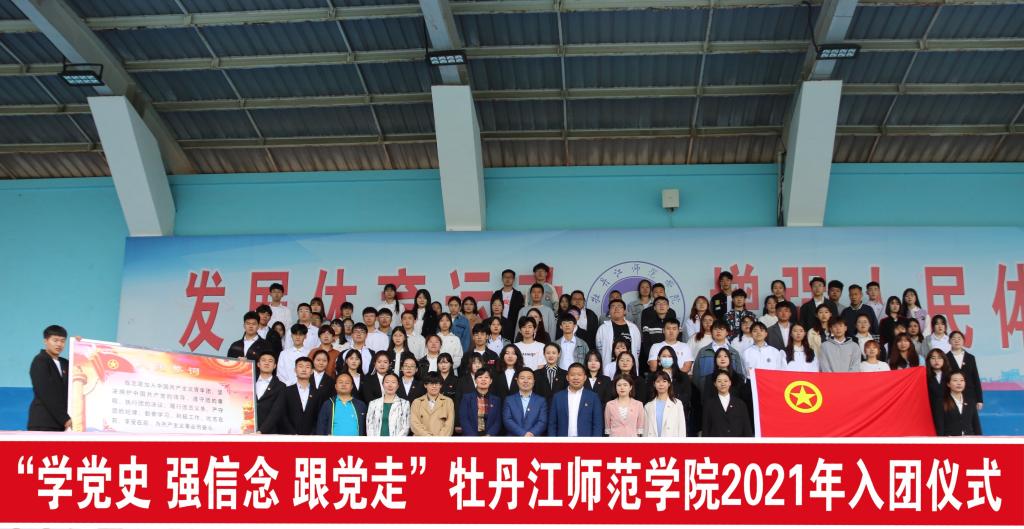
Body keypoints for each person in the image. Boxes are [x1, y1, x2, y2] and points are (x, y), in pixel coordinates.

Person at [29, 325, 70, 432]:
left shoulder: (66, 363)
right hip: (43, 422)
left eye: (62, 341)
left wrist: (80, 345)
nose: (59, 344)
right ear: (45, 341)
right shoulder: (40, 361)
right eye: (55, 340)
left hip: (62, 424)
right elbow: (47, 393)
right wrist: (65, 419)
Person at [548, 363, 604, 437]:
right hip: (563, 441)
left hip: (585, 441)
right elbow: (552, 424)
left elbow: (597, 424)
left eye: (579, 375)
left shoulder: (593, 397)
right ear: (567, 377)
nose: (576, 378)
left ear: (585, 378)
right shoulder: (558, 397)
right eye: (572, 375)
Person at [269, 357, 320, 435]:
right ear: (295, 370)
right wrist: (293, 434)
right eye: (300, 366)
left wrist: (312, 435)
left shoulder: (318, 393)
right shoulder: (286, 391)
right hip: (289, 436)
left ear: (312, 371)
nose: (304, 369)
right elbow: (282, 415)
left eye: (307, 367)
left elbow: (319, 417)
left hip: (311, 437)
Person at [693, 321, 745, 394]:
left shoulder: (734, 353)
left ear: (727, 332)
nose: (718, 331)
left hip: (730, 393)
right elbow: (696, 375)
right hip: (706, 392)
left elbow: (739, 374)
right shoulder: (703, 351)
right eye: (715, 329)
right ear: (711, 332)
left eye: (722, 329)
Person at [701, 370, 752, 437]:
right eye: (719, 381)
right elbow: (706, 428)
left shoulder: (740, 404)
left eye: (725, 381)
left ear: (730, 383)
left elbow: (747, 428)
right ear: (715, 384)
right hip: (716, 442)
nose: (723, 384)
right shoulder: (709, 404)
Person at [502, 368, 548, 437]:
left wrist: (531, 434)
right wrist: (523, 433)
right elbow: (507, 420)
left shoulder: (541, 401)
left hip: (534, 439)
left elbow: (542, 421)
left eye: (529, 378)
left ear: (534, 382)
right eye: (522, 378)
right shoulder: (509, 400)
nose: (526, 381)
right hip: (513, 439)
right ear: (517, 381)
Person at [934, 371, 982, 436]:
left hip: (970, 439)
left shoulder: (970, 401)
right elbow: (940, 426)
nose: (959, 383)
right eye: (955, 380)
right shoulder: (941, 402)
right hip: (950, 439)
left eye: (962, 380)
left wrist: (979, 438)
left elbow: (976, 425)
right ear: (948, 384)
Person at [946, 330, 983, 412]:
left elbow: (975, 378)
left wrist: (979, 399)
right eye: (954, 339)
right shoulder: (945, 358)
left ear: (963, 341)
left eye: (959, 339)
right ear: (949, 341)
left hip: (969, 394)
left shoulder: (970, 358)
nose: (956, 341)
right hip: (951, 395)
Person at [458, 368, 502, 436]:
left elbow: (498, 421)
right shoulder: (466, 398)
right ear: (475, 380)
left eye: (486, 377)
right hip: (471, 437)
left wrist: (489, 435)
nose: (483, 379)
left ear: (491, 381)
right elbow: (464, 420)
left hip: (489, 437)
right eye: (480, 377)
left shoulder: (496, 400)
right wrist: (474, 438)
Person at [596, 299, 641, 366]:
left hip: (629, 367)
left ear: (625, 311)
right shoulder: (603, 328)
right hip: (610, 366)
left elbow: (637, 350)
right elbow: (599, 349)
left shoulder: (634, 328)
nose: (616, 308)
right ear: (609, 312)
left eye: (619, 306)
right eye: (613, 306)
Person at [410, 372, 455, 436]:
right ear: (425, 385)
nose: (434, 386)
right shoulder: (417, 402)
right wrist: (428, 437)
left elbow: (449, 424)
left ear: (440, 385)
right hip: (421, 440)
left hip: (441, 440)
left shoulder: (448, 401)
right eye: (431, 383)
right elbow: (414, 423)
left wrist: (437, 439)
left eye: (437, 383)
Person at [643, 371, 687, 438]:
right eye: (658, 381)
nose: (661, 384)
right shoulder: (648, 406)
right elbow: (645, 429)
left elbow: (682, 427)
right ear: (654, 384)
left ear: (669, 384)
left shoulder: (677, 404)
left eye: (664, 381)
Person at [366, 372, 411, 437]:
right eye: (387, 382)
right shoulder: (373, 403)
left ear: (398, 386)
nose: (390, 385)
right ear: (383, 384)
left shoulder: (404, 404)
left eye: (393, 382)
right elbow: (369, 425)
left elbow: (406, 427)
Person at [254, 351, 286, 434]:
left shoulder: (280, 386)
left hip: (269, 432)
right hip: (247, 429)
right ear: (258, 364)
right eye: (263, 360)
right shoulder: (249, 381)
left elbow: (276, 411)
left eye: (270, 361)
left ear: (275, 366)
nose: (267, 363)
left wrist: (261, 431)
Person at [491, 269, 524, 341]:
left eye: (510, 277)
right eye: (505, 277)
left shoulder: (518, 295)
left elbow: (520, 312)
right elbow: (492, 311)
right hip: (497, 325)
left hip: (513, 325)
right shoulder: (496, 294)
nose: (507, 279)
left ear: (513, 279)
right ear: (502, 279)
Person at [925, 348, 951, 422]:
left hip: (949, 409)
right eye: (933, 358)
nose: (936, 361)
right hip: (931, 410)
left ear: (944, 360)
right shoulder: (924, 376)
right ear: (928, 361)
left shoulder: (950, 375)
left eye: (939, 358)